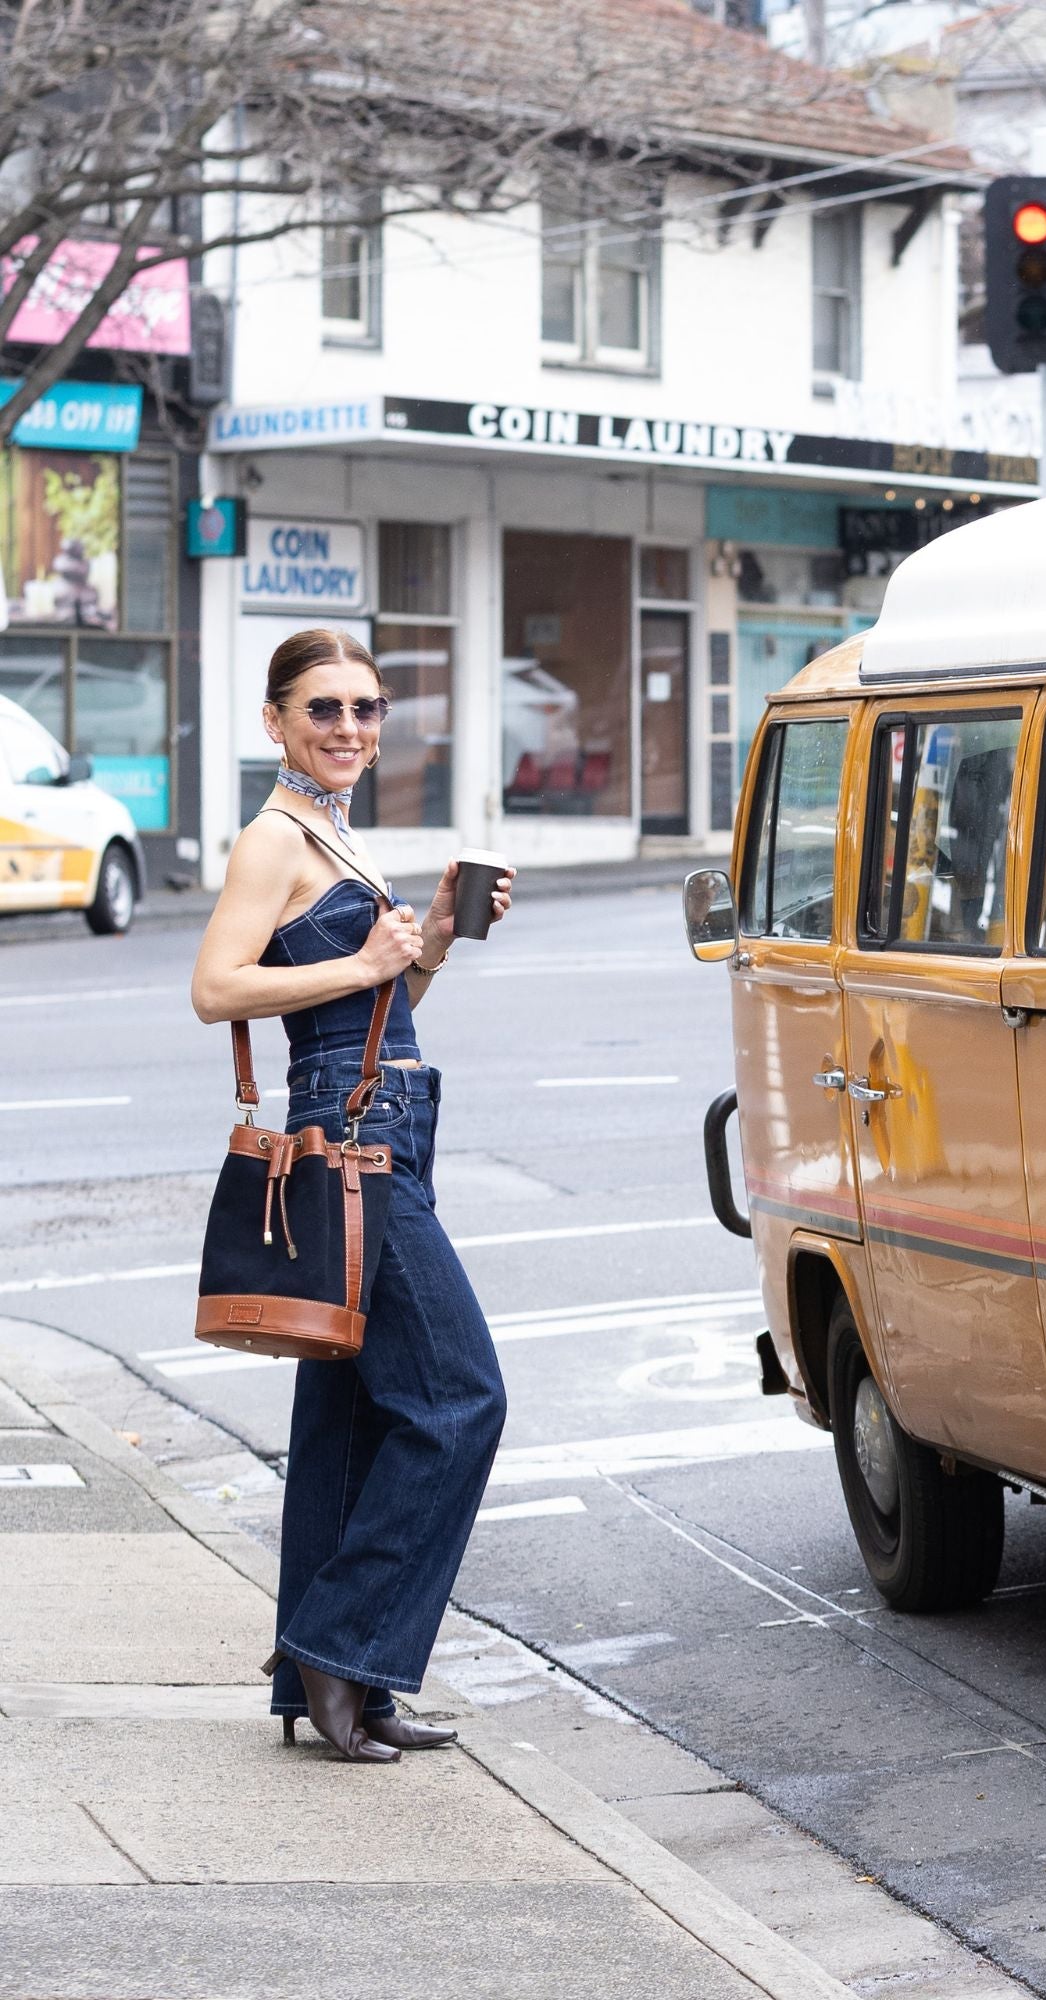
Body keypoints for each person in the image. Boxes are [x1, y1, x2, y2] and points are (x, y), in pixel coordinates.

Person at [191, 626, 512, 1764]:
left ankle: (337, 1679)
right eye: (322, 708)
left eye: (366, 709)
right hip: (353, 1128)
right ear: (274, 720)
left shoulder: (333, 830)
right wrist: (369, 964)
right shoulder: (273, 838)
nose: (348, 729)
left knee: (357, 1411)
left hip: (389, 1113)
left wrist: (423, 943)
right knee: (462, 1398)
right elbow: (216, 984)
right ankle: (338, 1645)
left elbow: (380, 998)